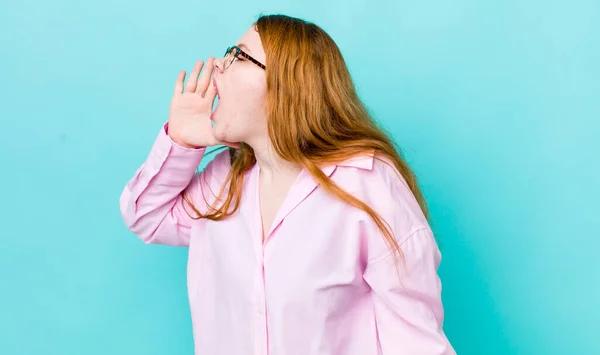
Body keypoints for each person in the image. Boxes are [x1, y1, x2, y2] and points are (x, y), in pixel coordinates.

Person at [120, 13, 455, 355]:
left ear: (286, 85)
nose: (218, 65)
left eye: (238, 55)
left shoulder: (366, 181)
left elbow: (417, 343)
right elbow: (147, 217)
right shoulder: (225, 179)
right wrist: (181, 142)